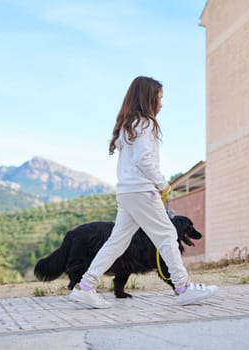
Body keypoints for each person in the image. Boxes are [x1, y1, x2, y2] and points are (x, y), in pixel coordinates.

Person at [69, 76, 218, 308]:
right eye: (159, 98)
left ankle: (85, 287)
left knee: (117, 242)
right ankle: (183, 288)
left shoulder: (127, 127)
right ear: (148, 97)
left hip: (126, 193)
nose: (161, 104)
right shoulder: (147, 123)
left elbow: (134, 160)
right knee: (168, 235)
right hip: (141, 191)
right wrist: (162, 184)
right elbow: (144, 159)